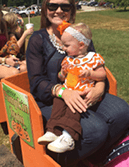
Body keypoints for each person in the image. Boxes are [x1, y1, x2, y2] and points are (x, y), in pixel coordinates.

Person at [26, 0, 129, 166]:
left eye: (65, 7)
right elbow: (36, 81)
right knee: (96, 130)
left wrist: (98, 88)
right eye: (52, 6)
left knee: (122, 113)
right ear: (45, 9)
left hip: (86, 92)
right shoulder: (38, 39)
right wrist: (63, 92)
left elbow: (96, 65)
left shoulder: (79, 35)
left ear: (72, 10)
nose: (58, 10)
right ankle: (60, 160)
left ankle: (93, 155)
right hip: (53, 100)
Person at [38, 21, 107, 154]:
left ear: (81, 45)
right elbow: (61, 78)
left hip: (82, 94)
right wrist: (62, 73)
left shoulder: (93, 58)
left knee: (72, 110)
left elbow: (102, 74)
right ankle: (53, 130)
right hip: (67, 91)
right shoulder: (68, 59)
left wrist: (90, 73)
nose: (63, 48)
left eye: (67, 45)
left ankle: (69, 136)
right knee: (57, 103)